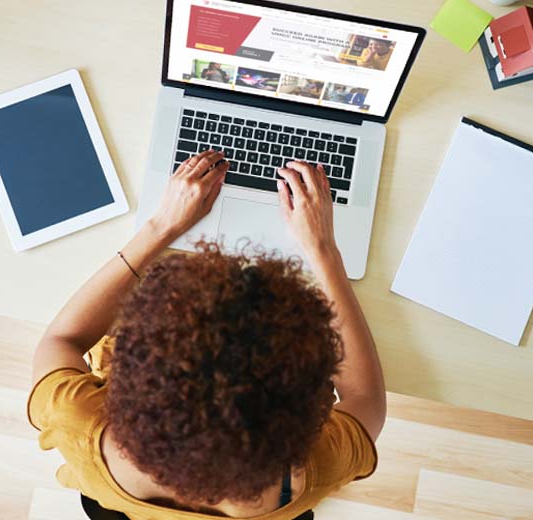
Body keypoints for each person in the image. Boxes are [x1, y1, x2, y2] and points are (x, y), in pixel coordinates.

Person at [28, 150, 386, 519]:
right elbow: (365, 398)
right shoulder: (312, 469)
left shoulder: (76, 418)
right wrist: (323, 249)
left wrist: (160, 227)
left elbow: (61, 341)